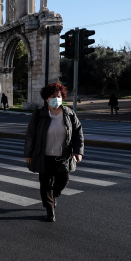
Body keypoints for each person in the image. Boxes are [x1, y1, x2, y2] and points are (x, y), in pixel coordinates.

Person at [24, 82, 84, 222]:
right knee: (45, 184)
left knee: (63, 180)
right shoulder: (39, 115)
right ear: (46, 98)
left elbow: (78, 133)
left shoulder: (69, 114)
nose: (56, 99)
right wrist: (28, 153)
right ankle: (50, 210)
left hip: (63, 156)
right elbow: (30, 135)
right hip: (44, 156)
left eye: (59, 96)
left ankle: (54, 195)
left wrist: (78, 151)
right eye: (53, 96)